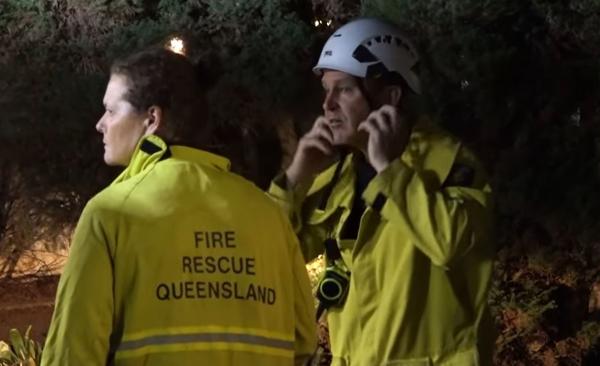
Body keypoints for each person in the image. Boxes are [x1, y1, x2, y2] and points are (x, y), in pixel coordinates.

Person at [42, 48, 316, 365]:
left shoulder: (110, 214)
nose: (100, 124)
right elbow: (304, 343)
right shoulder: (268, 215)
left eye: (111, 111)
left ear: (152, 119)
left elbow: (71, 354)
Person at [267, 18, 495, 365]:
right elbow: (275, 258)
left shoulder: (449, 162)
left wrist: (389, 169)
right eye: (326, 91)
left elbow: (448, 243)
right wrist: (296, 176)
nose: (328, 105)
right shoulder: (341, 176)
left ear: (390, 96)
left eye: (343, 89)